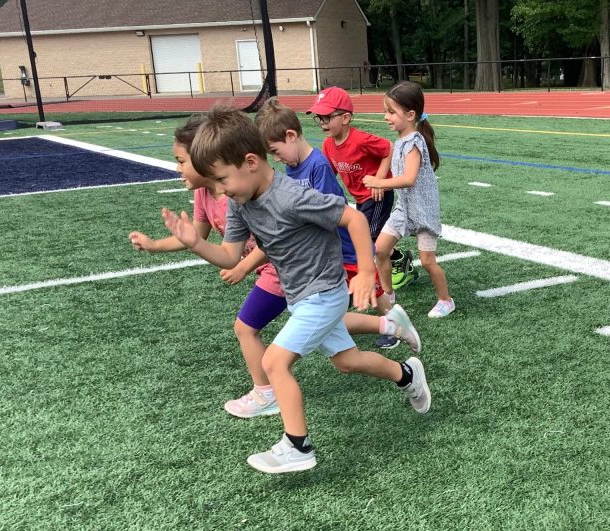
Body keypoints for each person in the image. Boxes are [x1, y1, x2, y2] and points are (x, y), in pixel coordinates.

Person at [162, 107, 431, 474]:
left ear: (251, 162)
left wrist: (366, 272)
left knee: (274, 361)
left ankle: (297, 446)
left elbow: (352, 217)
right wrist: (195, 243)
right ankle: (408, 375)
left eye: (223, 180)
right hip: (300, 295)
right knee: (347, 362)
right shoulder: (241, 202)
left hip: (324, 291)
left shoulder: (291, 196)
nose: (221, 191)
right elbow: (228, 256)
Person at [128, 114, 288, 420]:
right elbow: (197, 237)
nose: (177, 169)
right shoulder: (205, 193)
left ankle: (265, 394)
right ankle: (389, 327)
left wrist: (243, 267)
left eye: (181, 161)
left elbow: (276, 237)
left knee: (246, 327)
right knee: (334, 338)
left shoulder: (239, 191)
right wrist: (154, 245)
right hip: (277, 270)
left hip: (281, 268)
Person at [252, 97, 421, 355]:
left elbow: (331, 209)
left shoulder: (317, 166)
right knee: (335, 299)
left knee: (373, 290)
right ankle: (376, 326)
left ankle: (395, 320)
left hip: (345, 244)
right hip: (326, 250)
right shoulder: (295, 169)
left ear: (290, 136)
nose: (276, 159)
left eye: (275, 151)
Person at [307, 86, 416, 348]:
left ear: (345, 117)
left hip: (376, 197)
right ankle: (399, 261)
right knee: (368, 246)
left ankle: (386, 301)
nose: (322, 123)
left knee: (367, 247)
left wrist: (380, 179)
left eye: (327, 117)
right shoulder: (328, 145)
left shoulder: (361, 139)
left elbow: (387, 148)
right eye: (319, 118)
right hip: (359, 201)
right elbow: (329, 173)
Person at [363, 80, 454, 320]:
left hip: (423, 211)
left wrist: (379, 183)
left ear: (411, 114)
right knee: (380, 250)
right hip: (404, 210)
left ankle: (446, 300)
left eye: (391, 112)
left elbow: (409, 178)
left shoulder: (414, 141)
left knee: (427, 261)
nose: (386, 117)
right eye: (386, 111)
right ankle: (389, 295)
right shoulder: (402, 140)